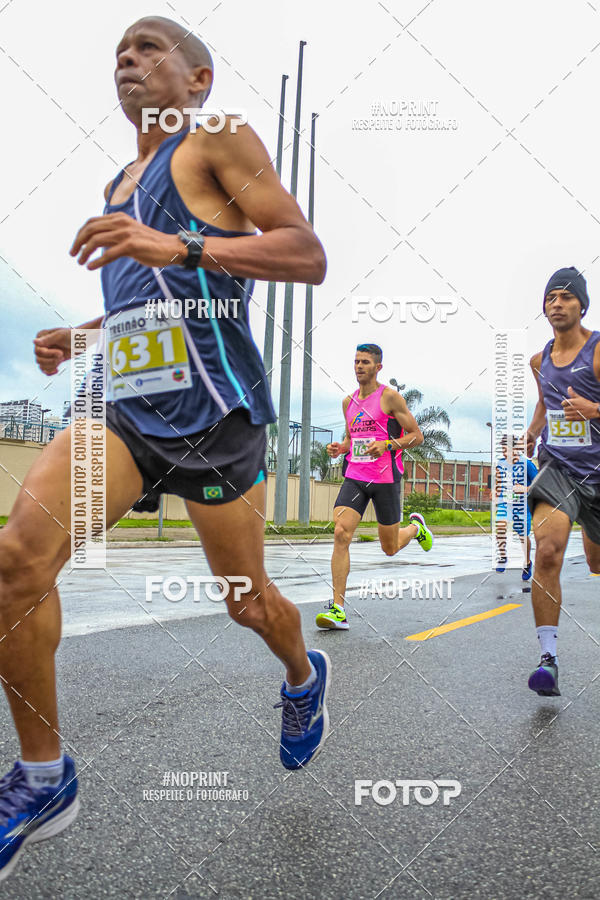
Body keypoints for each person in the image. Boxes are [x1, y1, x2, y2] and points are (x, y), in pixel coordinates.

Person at [0, 16, 330, 882]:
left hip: (216, 416)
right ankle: (43, 777)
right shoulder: (116, 185)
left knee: (247, 603)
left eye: (149, 49)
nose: (129, 62)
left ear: (199, 78)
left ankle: (302, 677)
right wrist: (81, 335)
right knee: (17, 560)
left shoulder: (216, 136)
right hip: (126, 412)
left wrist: (178, 239)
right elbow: (149, 299)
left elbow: (306, 253)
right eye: (119, 54)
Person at [316, 344, 433, 630]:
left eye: (365, 362)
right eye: (356, 361)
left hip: (385, 478)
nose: (359, 366)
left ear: (378, 367)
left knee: (389, 548)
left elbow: (416, 436)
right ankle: (338, 609)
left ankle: (416, 529)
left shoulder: (389, 397)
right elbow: (351, 439)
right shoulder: (348, 402)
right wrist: (341, 448)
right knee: (341, 532)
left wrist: (387, 445)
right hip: (356, 476)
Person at [526, 267, 600, 697]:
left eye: (566, 297)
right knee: (548, 550)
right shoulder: (540, 361)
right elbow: (544, 403)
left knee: (596, 563)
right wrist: (532, 432)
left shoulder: (597, 352)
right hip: (559, 469)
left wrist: (595, 409)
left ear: (582, 305)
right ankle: (548, 660)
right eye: (550, 297)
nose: (557, 303)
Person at [494, 434, 537, 580]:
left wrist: (524, 489)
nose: (505, 454)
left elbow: (539, 484)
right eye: (503, 450)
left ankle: (527, 563)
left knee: (523, 536)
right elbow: (498, 482)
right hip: (505, 503)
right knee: (500, 526)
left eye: (507, 450)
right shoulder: (500, 463)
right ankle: (503, 557)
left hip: (522, 505)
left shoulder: (527, 464)